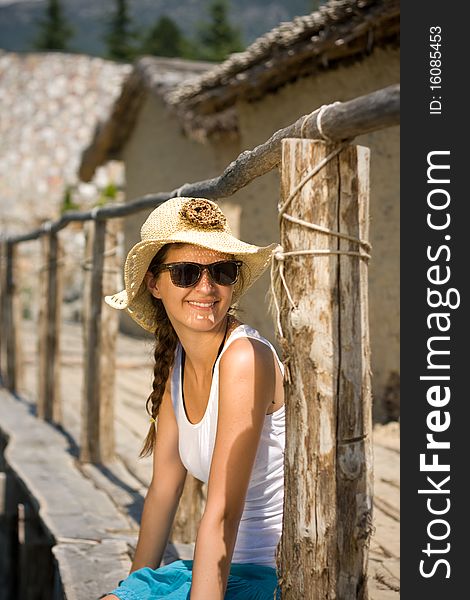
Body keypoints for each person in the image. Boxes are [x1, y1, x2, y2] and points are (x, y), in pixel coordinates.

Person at [101, 197, 285, 599]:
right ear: (154, 283)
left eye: (221, 271)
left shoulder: (244, 359)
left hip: (273, 578)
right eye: (185, 273)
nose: (206, 287)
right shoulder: (176, 365)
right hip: (220, 568)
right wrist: (131, 590)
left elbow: (221, 513)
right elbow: (163, 492)